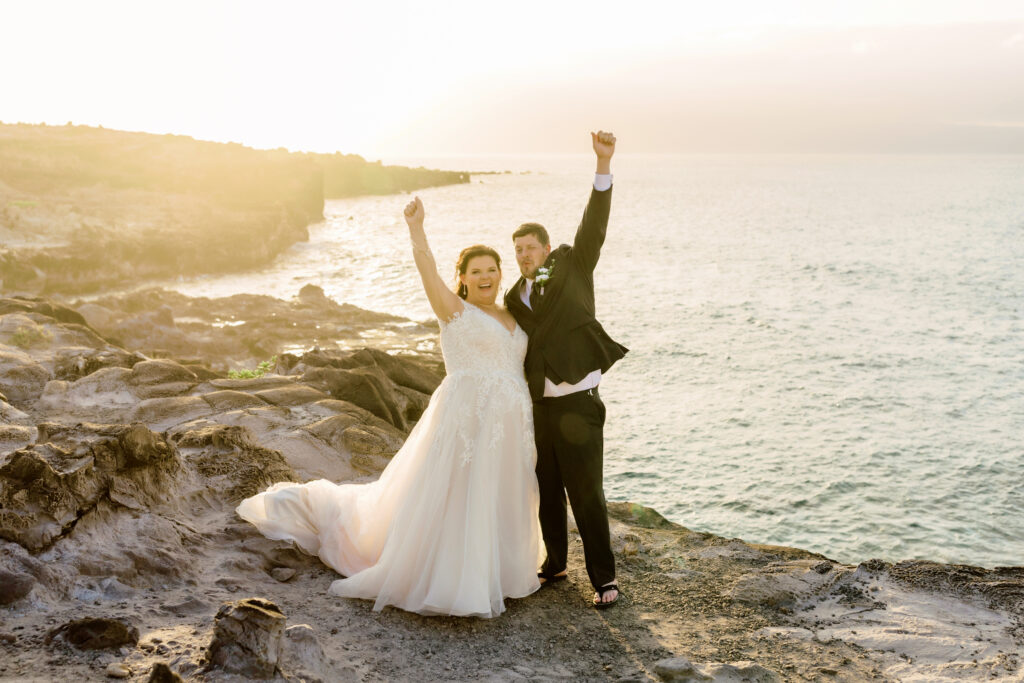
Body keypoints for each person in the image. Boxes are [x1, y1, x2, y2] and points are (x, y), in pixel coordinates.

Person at [236, 199, 543, 618]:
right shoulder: (453, 309)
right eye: (477, 271)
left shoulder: (514, 315)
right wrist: (417, 228)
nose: (486, 277)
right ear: (464, 279)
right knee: (458, 494)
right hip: (466, 419)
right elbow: (425, 266)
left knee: (496, 492)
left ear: (500, 275)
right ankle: (451, 576)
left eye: (492, 270)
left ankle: (498, 571)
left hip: (509, 424)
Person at [504, 130, 628, 609]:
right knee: (547, 491)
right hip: (538, 408)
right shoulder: (515, 296)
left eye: (530, 248)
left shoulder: (575, 264)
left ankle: (605, 580)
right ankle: (555, 563)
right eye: (517, 250)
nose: (524, 256)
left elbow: (594, 222)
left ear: (547, 247)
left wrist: (603, 164)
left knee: (587, 496)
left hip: (580, 403)